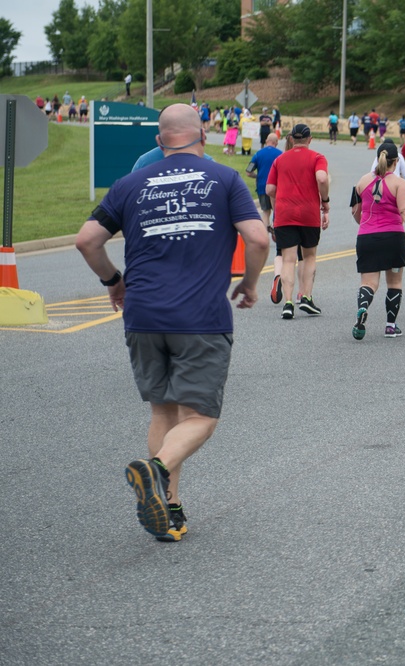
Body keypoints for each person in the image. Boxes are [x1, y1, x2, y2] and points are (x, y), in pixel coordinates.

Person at [74, 104, 269, 542]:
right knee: (201, 417)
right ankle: (155, 470)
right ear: (204, 134)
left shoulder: (129, 184)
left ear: (160, 140)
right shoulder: (223, 179)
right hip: (199, 317)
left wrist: (113, 280)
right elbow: (257, 237)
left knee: (163, 410)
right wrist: (249, 284)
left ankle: (169, 507)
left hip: (142, 315)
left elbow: (87, 240)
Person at [350, 142, 405, 339]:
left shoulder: (362, 181)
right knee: (395, 282)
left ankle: (363, 307)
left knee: (368, 282)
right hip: (393, 238)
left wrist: (365, 222)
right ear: (396, 161)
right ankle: (390, 325)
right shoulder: (399, 183)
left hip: (366, 237)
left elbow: (356, 213)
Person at [265, 123, 331, 319]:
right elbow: (321, 178)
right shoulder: (317, 157)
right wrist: (325, 202)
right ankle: (307, 298)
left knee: (288, 259)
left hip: (285, 214)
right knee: (309, 256)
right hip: (308, 214)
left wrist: (279, 203)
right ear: (310, 139)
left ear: (291, 139)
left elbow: (269, 189)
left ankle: (287, 302)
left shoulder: (280, 159)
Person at [245, 134, 286, 302]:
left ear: (266, 141)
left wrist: (258, 176)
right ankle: (276, 228)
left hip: (262, 186)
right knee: (276, 209)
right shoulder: (280, 154)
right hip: (277, 187)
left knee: (265, 211)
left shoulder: (258, 154)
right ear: (276, 142)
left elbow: (248, 171)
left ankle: (265, 231)